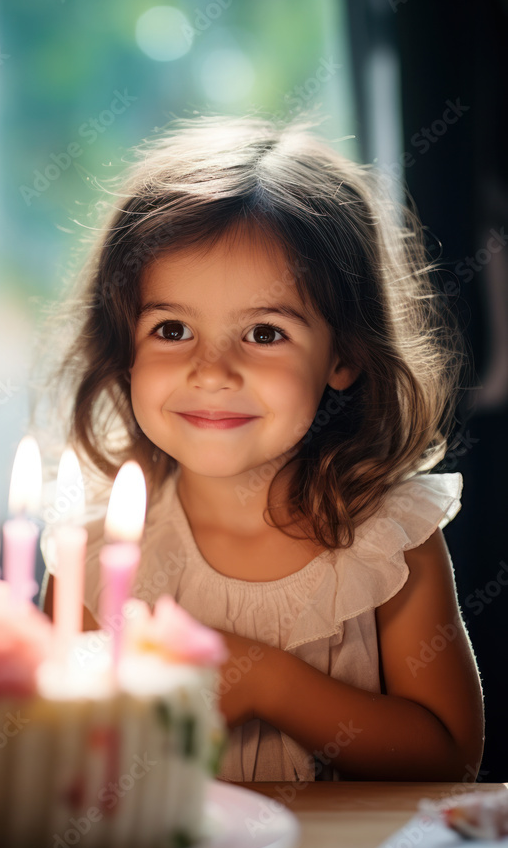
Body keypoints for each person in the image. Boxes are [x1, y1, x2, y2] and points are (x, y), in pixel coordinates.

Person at [40, 113, 484, 783]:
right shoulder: (94, 558)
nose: (211, 371)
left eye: (265, 334)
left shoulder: (388, 540)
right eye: (171, 328)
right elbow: (57, 765)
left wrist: (267, 684)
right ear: (123, 350)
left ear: (342, 356)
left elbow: (448, 756)